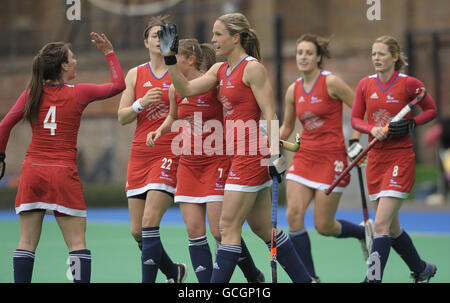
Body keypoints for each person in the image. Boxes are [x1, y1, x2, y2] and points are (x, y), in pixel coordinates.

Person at [157, 13, 313, 283]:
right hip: (237, 154)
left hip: (252, 154)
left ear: (235, 37)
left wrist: (275, 155)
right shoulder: (219, 70)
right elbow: (185, 88)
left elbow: (270, 113)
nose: (213, 39)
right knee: (265, 229)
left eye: (218, 34)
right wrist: (170, 58)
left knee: (226, 227)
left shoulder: (252, 68)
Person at [0, 32, 125, 283]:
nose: (76, 61)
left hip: (32, 172)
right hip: (63, 175)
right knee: (77, 243)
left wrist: (1, 157)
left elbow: (4, 126)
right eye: (73, 57)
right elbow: (118, 85)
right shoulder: (79, 93)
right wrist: (109, 53)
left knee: (26, 242)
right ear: (64, 66)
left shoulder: (31, 94)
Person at [146, 38, 264, 283]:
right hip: (188, 165)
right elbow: (173, 118)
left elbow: (236, 108)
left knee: (220, 231)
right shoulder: (173, 89)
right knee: (194, 231)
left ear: (190, 59)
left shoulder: (215, 85)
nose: (171, 62)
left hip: (216, 162)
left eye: (175, 57)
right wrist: (160, 130)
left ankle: (252, 274)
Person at [279, 34, 370, 282]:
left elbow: (361, 110)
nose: (303, 57)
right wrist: (268, 143)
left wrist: (354, 140)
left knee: (324, 226)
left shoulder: (332, 83)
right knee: (293, 216)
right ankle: (310, 277)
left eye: (309, 53)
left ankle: (362, 233)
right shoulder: (293, 89)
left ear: (319, 57)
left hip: (333, 159)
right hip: (305, 157)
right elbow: (287, 127)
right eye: (300, 53)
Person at [351, 35, 438, 283]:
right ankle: (422, 270)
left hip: (400, 158)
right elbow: (356, 118)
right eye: (373, 54)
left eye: (381, 54)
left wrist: (412, 123)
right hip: (375, 158)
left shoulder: (410, 84)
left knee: (380, 225)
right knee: (391, 228)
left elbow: (431, 111)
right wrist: (371, 130)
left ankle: (372, 279)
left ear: (395, 57)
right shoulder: (365, 84)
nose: (376, 58)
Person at [117, 15, 187, 283]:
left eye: (164, 34)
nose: (159, 39)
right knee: (137, 231)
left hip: (169, 149)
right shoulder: (135, 74)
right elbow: (122, 117)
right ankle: (173, 271)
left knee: (149, 223)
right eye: (154, 35)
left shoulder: (179, 69)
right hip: (140, 152)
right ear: (145, 41)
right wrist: (141, 103)